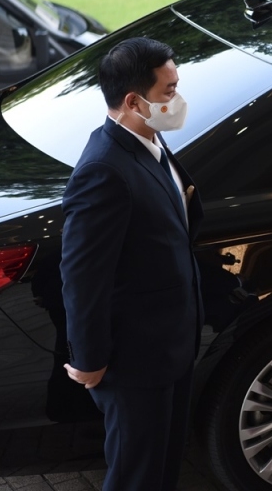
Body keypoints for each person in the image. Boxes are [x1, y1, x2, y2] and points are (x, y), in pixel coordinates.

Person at [60, 37, 203, 491]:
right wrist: (89, 358)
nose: (177, 101)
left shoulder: (148, 140)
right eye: (168, 91)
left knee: (161, 471)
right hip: (136, 362)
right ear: (132, 101)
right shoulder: (103, 169)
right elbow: (83, 275)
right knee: (136, 478)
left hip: (171, 349)